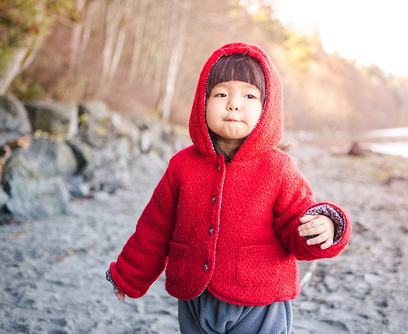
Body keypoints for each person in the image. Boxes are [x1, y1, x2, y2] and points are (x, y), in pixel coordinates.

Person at [106, 41, 351, 333]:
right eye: (221, 93)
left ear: (267, 107)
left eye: (249, 95)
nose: (233, 104)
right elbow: (155, 228)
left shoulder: (278, 168)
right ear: (203, 101)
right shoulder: (182, 166)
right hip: (196, 295)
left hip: (260, 300)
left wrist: (325, 224)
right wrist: (130, 276)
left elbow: (297, 219)